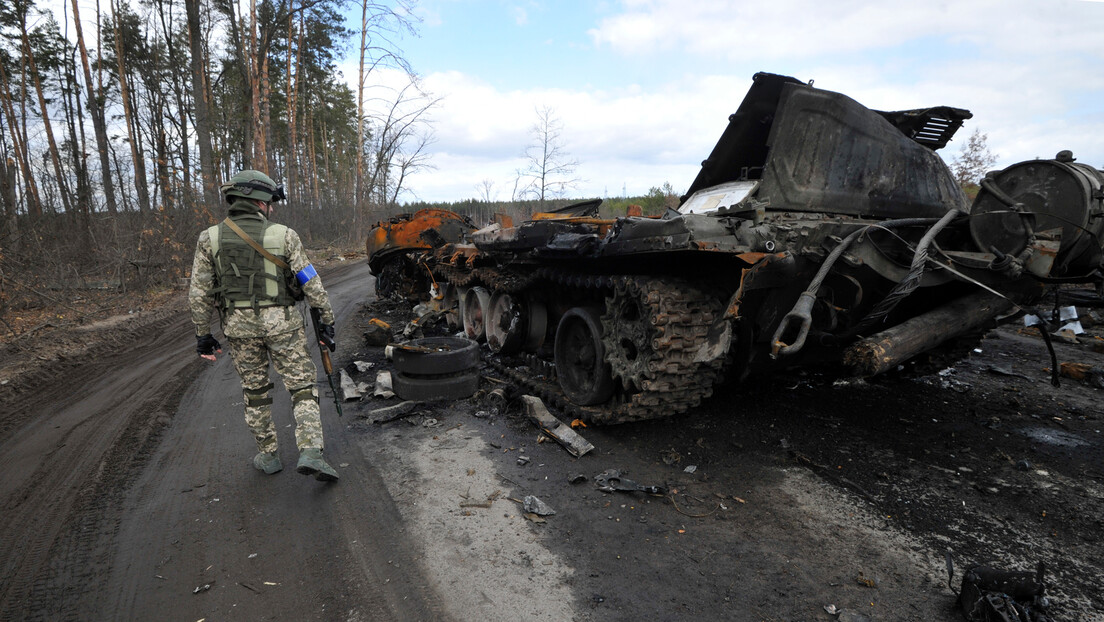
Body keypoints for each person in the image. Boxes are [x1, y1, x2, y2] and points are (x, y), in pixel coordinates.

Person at [188, 169, 339, 481]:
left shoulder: (209, 238)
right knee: (301, 387)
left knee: (255, 391)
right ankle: (310, 450)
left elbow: (199, 293)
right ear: (259, 202)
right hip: (283, 324)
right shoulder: (284, 235)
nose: (272, 207)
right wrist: (326, 319)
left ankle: (268, 455)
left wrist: (203, 335)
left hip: (239, 329)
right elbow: (311, 282)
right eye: (270, 201)